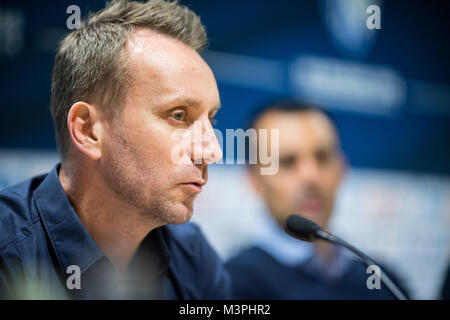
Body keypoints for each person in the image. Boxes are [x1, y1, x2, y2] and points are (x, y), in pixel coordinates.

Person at [0, 0, 230, 299]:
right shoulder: (7, 252)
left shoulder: (193, 256)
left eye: (210, 120)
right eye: (179, 115)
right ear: (88, 130)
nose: (212, 151)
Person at [226, 100, 408, 299]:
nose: (311, 176)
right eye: (287, 161)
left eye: (322, 157)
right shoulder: (229, 285)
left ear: (342, 167)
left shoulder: (381, 279)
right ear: (253, 178)